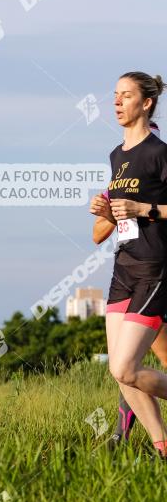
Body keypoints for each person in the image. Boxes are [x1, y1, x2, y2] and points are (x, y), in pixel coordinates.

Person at [88, 72, 167, 457]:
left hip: (154, 268)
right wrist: (105, 210)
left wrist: (143, 208)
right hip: (123, 268)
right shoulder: (116, 157)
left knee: (125, 369)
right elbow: (101, 231)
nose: (116, 102)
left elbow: (143, 210)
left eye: (126, 95)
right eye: (114, 95)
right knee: (119, 374)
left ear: (146, 103)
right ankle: (162, 446)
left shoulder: (159, 153)